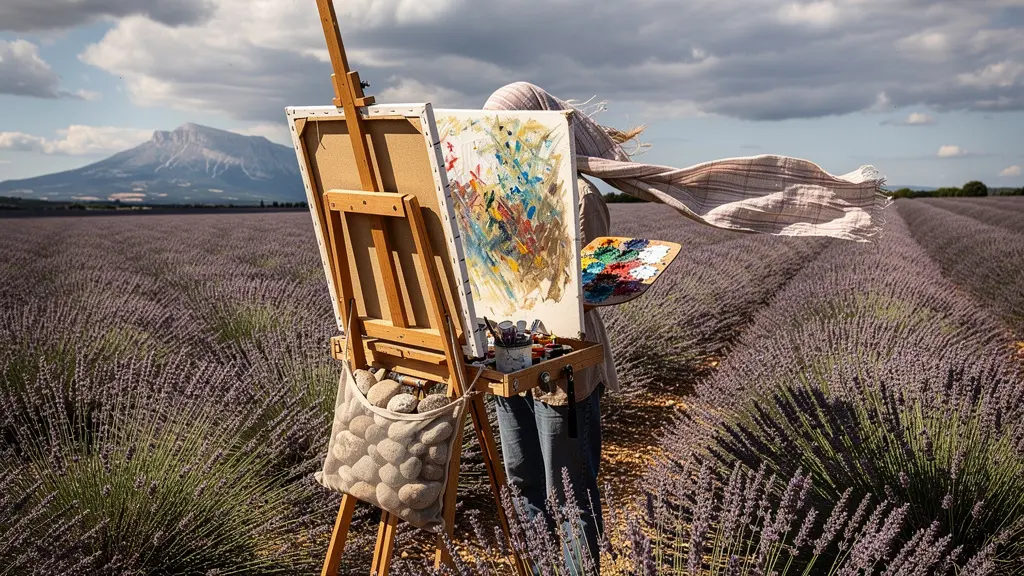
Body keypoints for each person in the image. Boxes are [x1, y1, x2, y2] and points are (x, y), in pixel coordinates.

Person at [482, 81, 888, 574]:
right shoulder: (486, 197)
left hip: (564, 365)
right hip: (507, 358)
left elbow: (580, 288)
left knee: (567, 492)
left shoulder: (580, 198)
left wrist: (599, 280)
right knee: (523, 481)